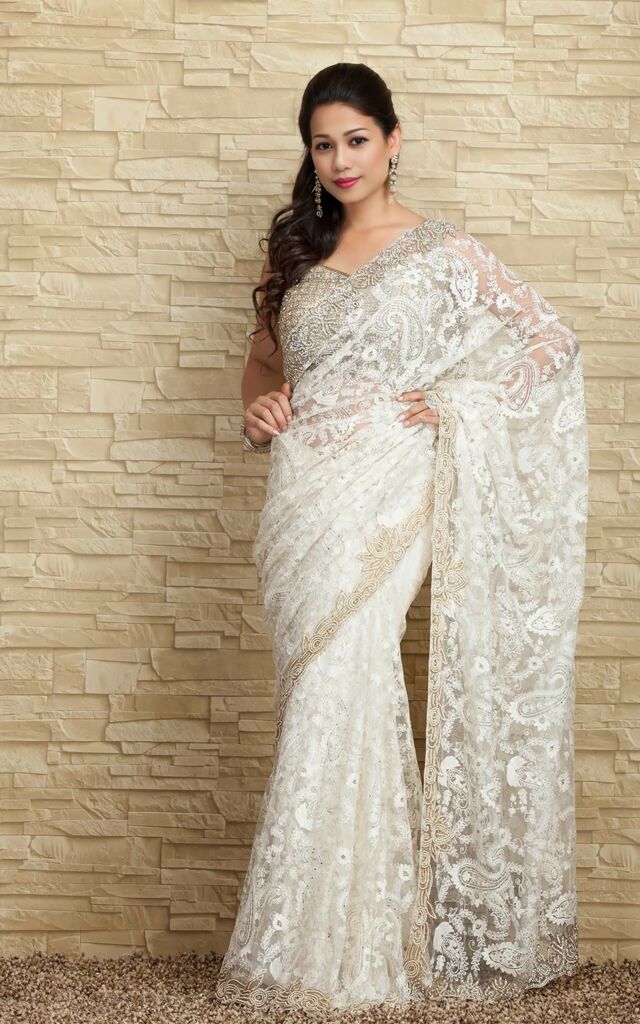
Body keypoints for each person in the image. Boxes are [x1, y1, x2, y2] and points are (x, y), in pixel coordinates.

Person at [215, 62, 589, 1014]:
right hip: (303, 494)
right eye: (322, 145)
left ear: (392, 138)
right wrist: (259, 411)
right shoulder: (296, 254)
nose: (340, 160)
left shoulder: (443, 251)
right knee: (320, 687)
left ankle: (339, 952)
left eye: (356, 140)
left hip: (390, 488)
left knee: (349, 675)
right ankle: (340, 937)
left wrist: (460, 402)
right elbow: (262, 366)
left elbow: (551, 342)